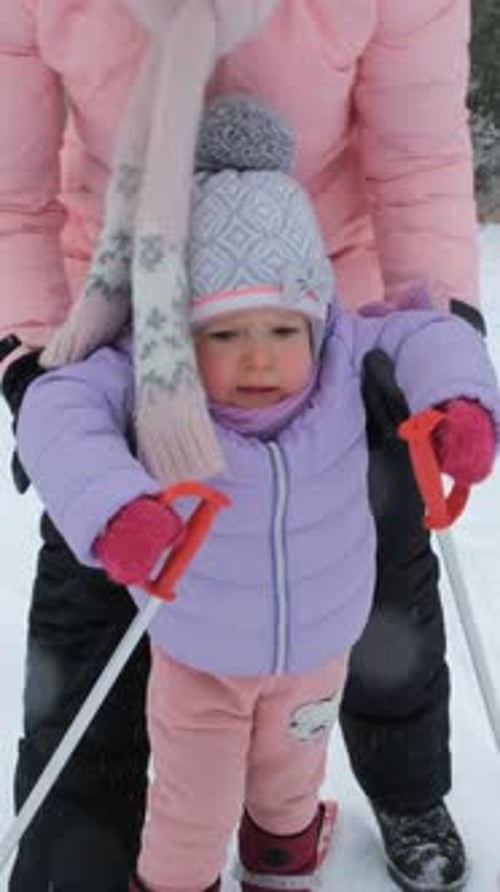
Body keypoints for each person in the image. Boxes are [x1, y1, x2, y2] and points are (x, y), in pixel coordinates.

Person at [0, 1, 486, 890]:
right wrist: (33, 355)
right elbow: (8, 186)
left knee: (378, 587)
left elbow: (418, 161)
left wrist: (439, 328)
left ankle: (409, 788)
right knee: (95, 601)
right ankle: (75, 856)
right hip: (123, 316)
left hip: (316, 319)